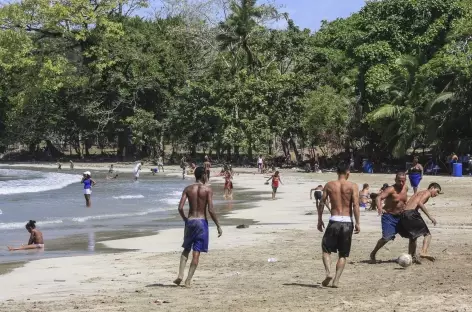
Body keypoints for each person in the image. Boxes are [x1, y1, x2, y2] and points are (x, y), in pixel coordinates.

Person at [173, 167, 222, 287]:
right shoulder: (208, 189)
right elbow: (210, 209)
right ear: (204, 175)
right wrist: (218, 225)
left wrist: (185, 219)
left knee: (186, 249)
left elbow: (180, 208)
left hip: (190, 221)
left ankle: (180, 275)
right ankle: (188, 280)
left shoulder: (188, 189)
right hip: (201, 222)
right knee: (196, 253)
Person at [317, 163, 360, 288]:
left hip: (334, 220)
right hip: (347, 222)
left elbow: (321, 203)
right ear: (348, 173)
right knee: (343, 254)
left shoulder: (329, 185)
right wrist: (357, 223)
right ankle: (336, 280)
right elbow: (355, 205)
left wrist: (319, 220)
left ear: (337, 172)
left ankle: (328, 273)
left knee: (326, 249)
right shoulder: (353, 186)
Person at [370, 172, 408, 263]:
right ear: (395, 180)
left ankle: (412, 255)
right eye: (399, 181)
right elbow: (378, 198)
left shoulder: (405, 188)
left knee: (413, 234)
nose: (401, 183)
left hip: (401, 217)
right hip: (389, 216)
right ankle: (373, 252)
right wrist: (379, 208)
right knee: (386, 238)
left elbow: (404, 201)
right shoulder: (391, 189)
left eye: (403, 181)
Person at [399, 183, 441, 263]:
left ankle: (412, 256)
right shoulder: (427, 193)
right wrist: (430, 217)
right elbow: (420, 203)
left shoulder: (419, 193)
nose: (437, 194)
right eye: (437, 191)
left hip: (404, 214)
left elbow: (410, 203)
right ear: (432, 188)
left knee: (413, 236)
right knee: (427, 234)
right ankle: (423, 252)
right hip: (411, 213)